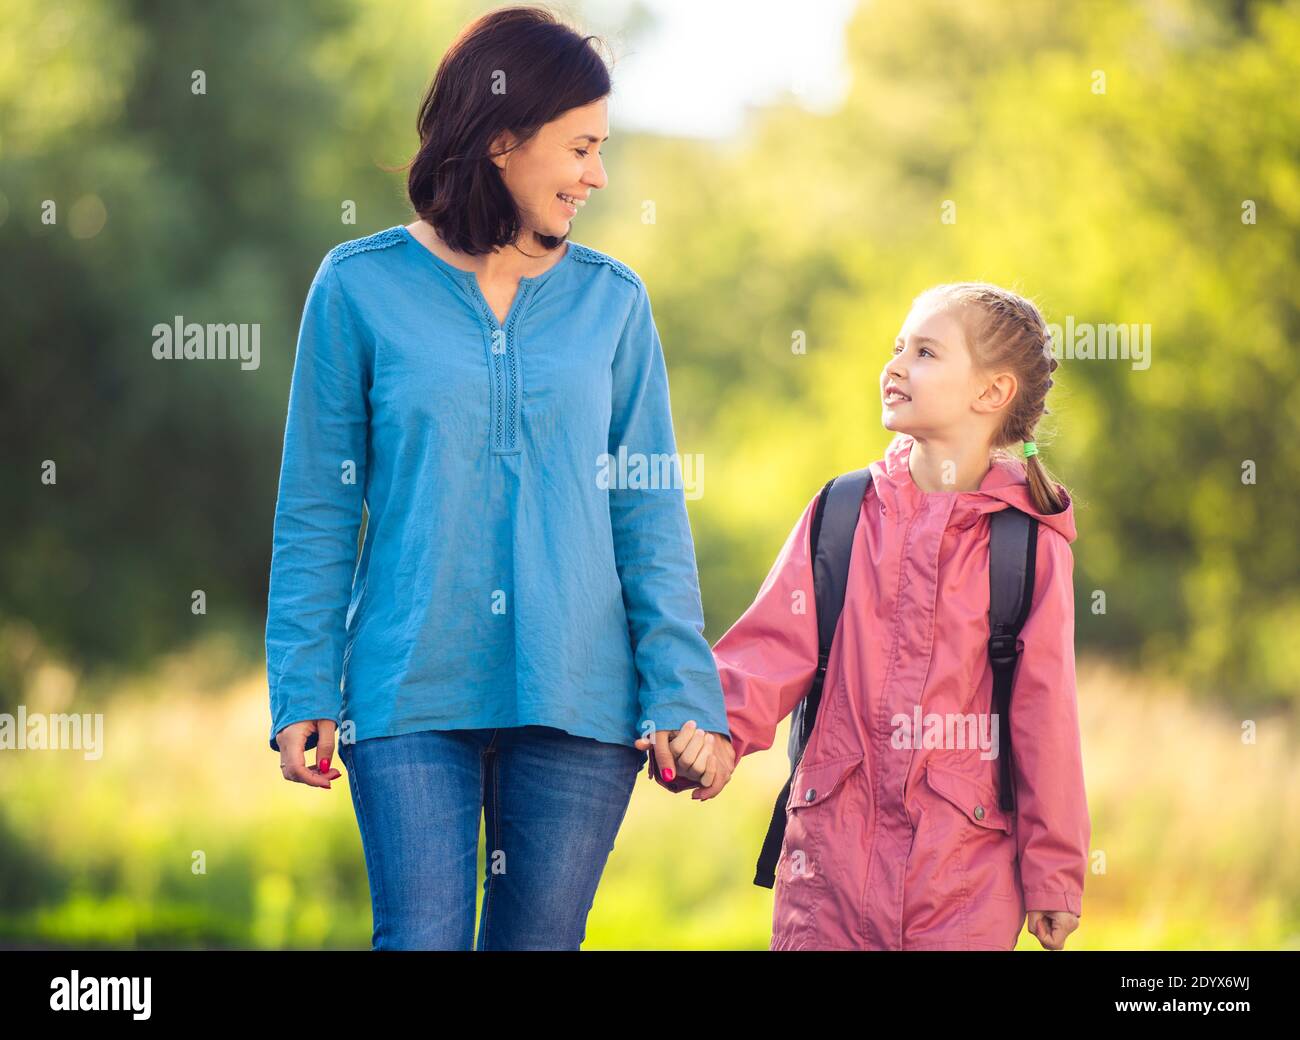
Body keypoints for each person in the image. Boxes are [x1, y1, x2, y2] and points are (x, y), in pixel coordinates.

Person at [265, 5, 727, 950]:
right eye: (581, 147)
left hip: (580, 698)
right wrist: (303, 681)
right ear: (503, 139)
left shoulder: (614, 303)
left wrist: (680, 692)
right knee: (421, 938)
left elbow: (648, 513)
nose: (598, 175)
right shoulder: (358, 286)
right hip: (409, 685)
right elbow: (318, 504)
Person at [697, 282, 1090, 950]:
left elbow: (1044, 718)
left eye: (926, 352)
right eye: (897, 347)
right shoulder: (843, 513)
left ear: (991, 394)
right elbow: (767, 652)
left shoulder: (1028, 546)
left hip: (962, 888)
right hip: (825, 880)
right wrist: (711, 737)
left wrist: (1053, 873)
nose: (896, 365)